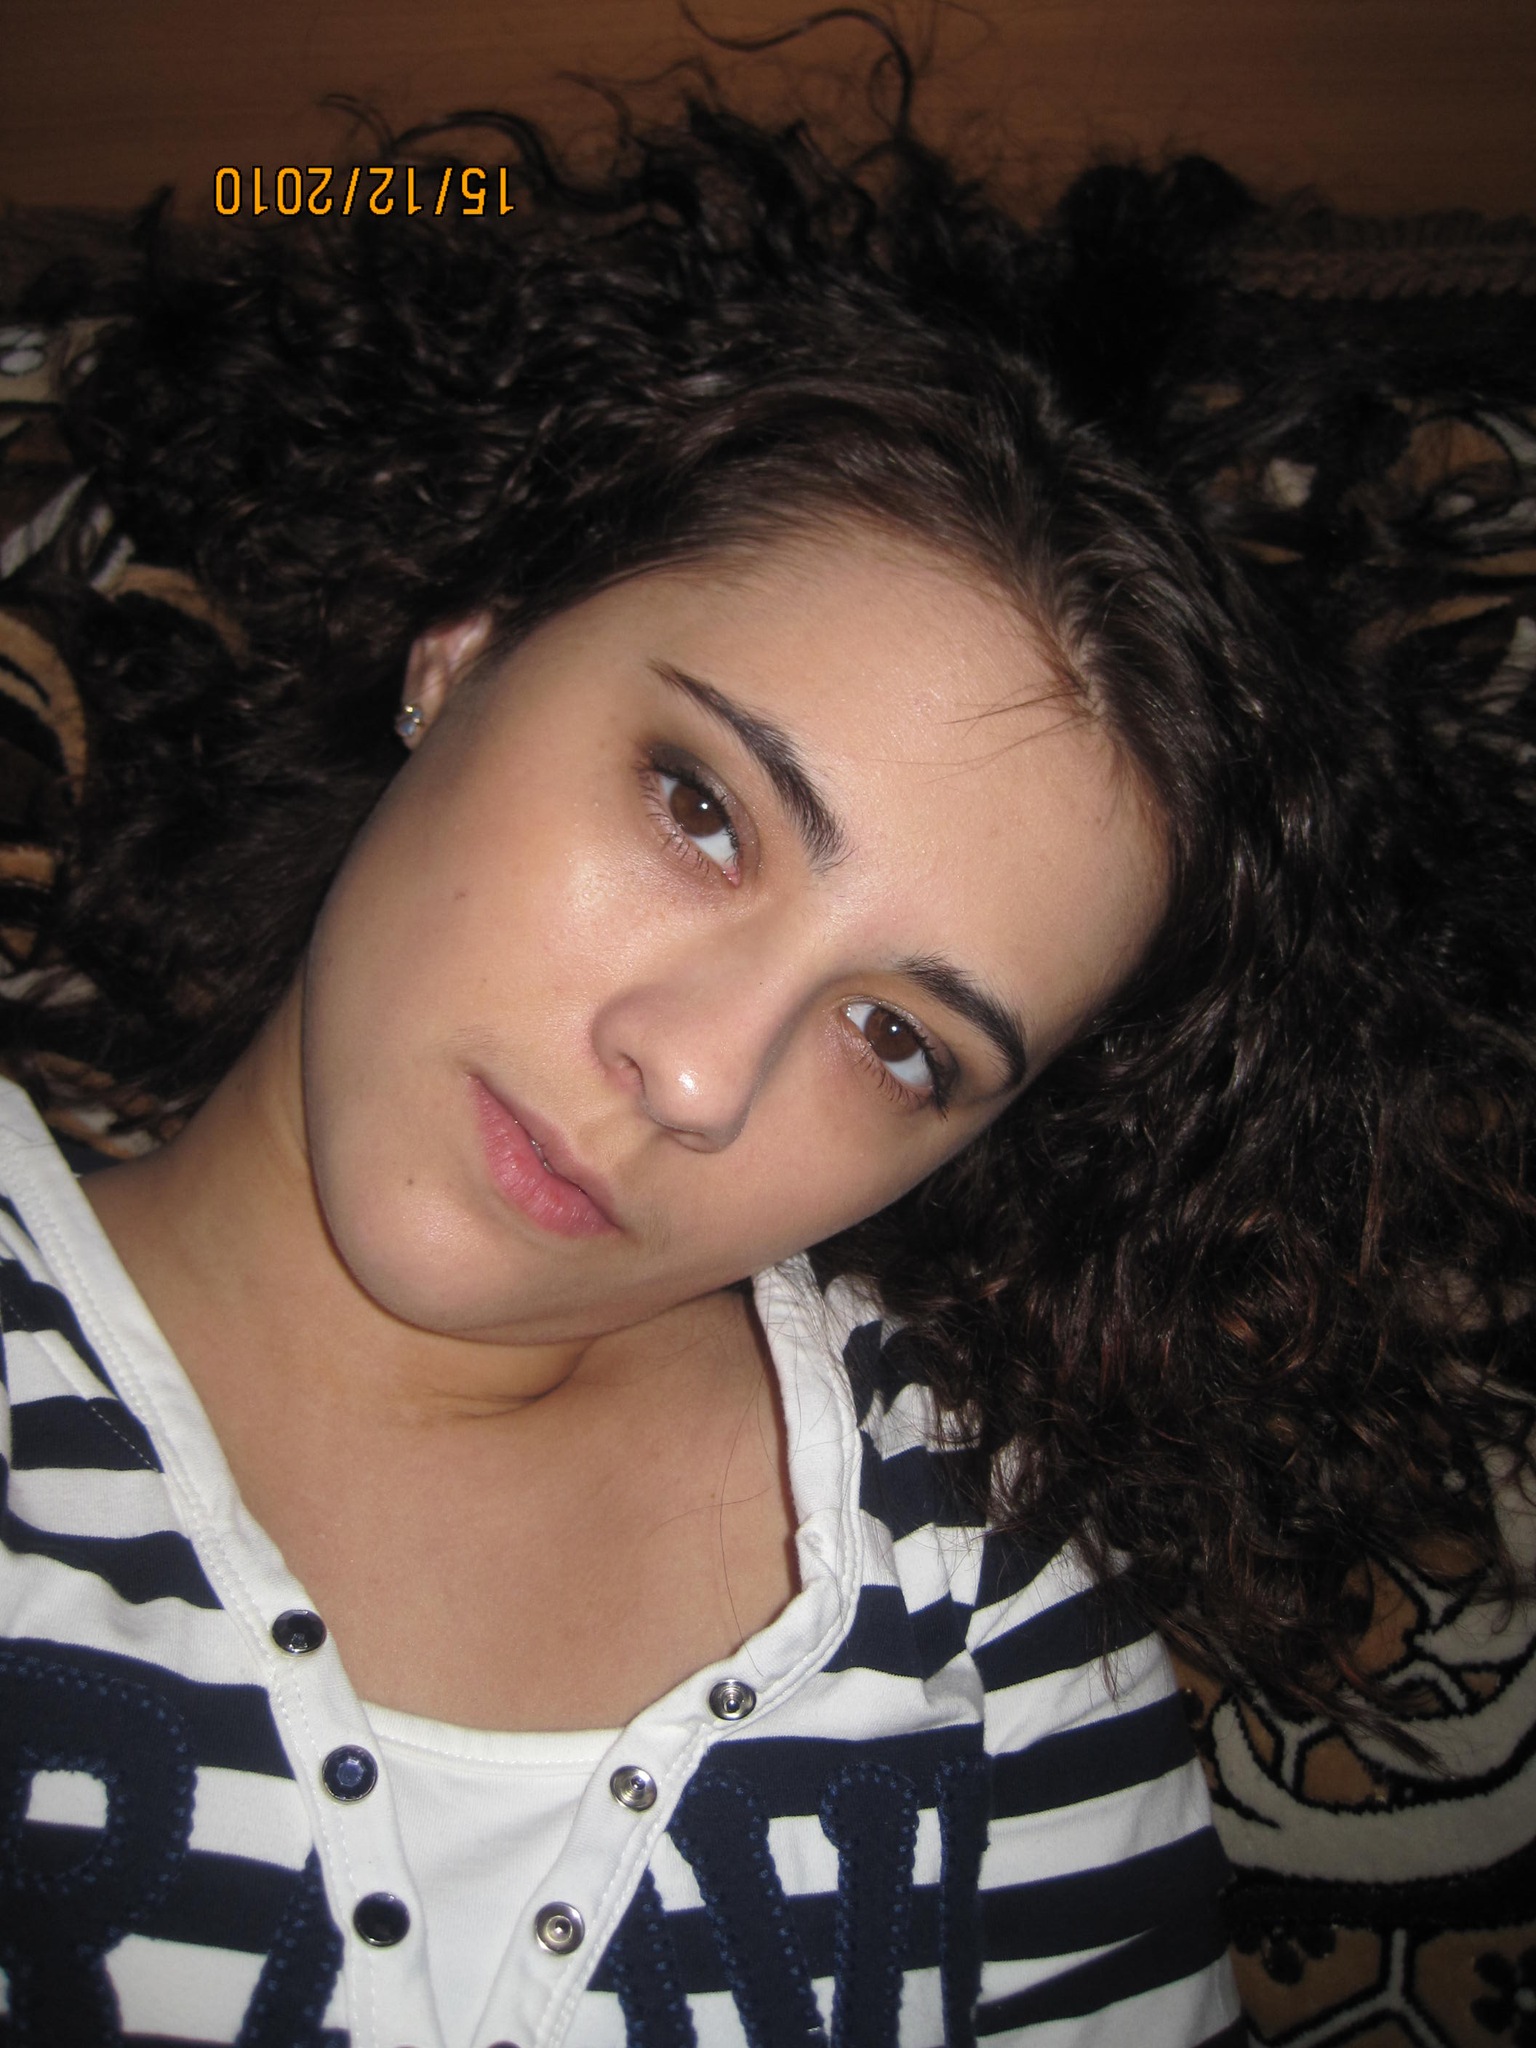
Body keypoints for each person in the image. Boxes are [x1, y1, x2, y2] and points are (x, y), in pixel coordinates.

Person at [0, 38, 1529, 2048]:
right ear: (464, 651)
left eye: (897, 1036)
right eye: (702, 807)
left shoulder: (987, 1609)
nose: (700, 1076)